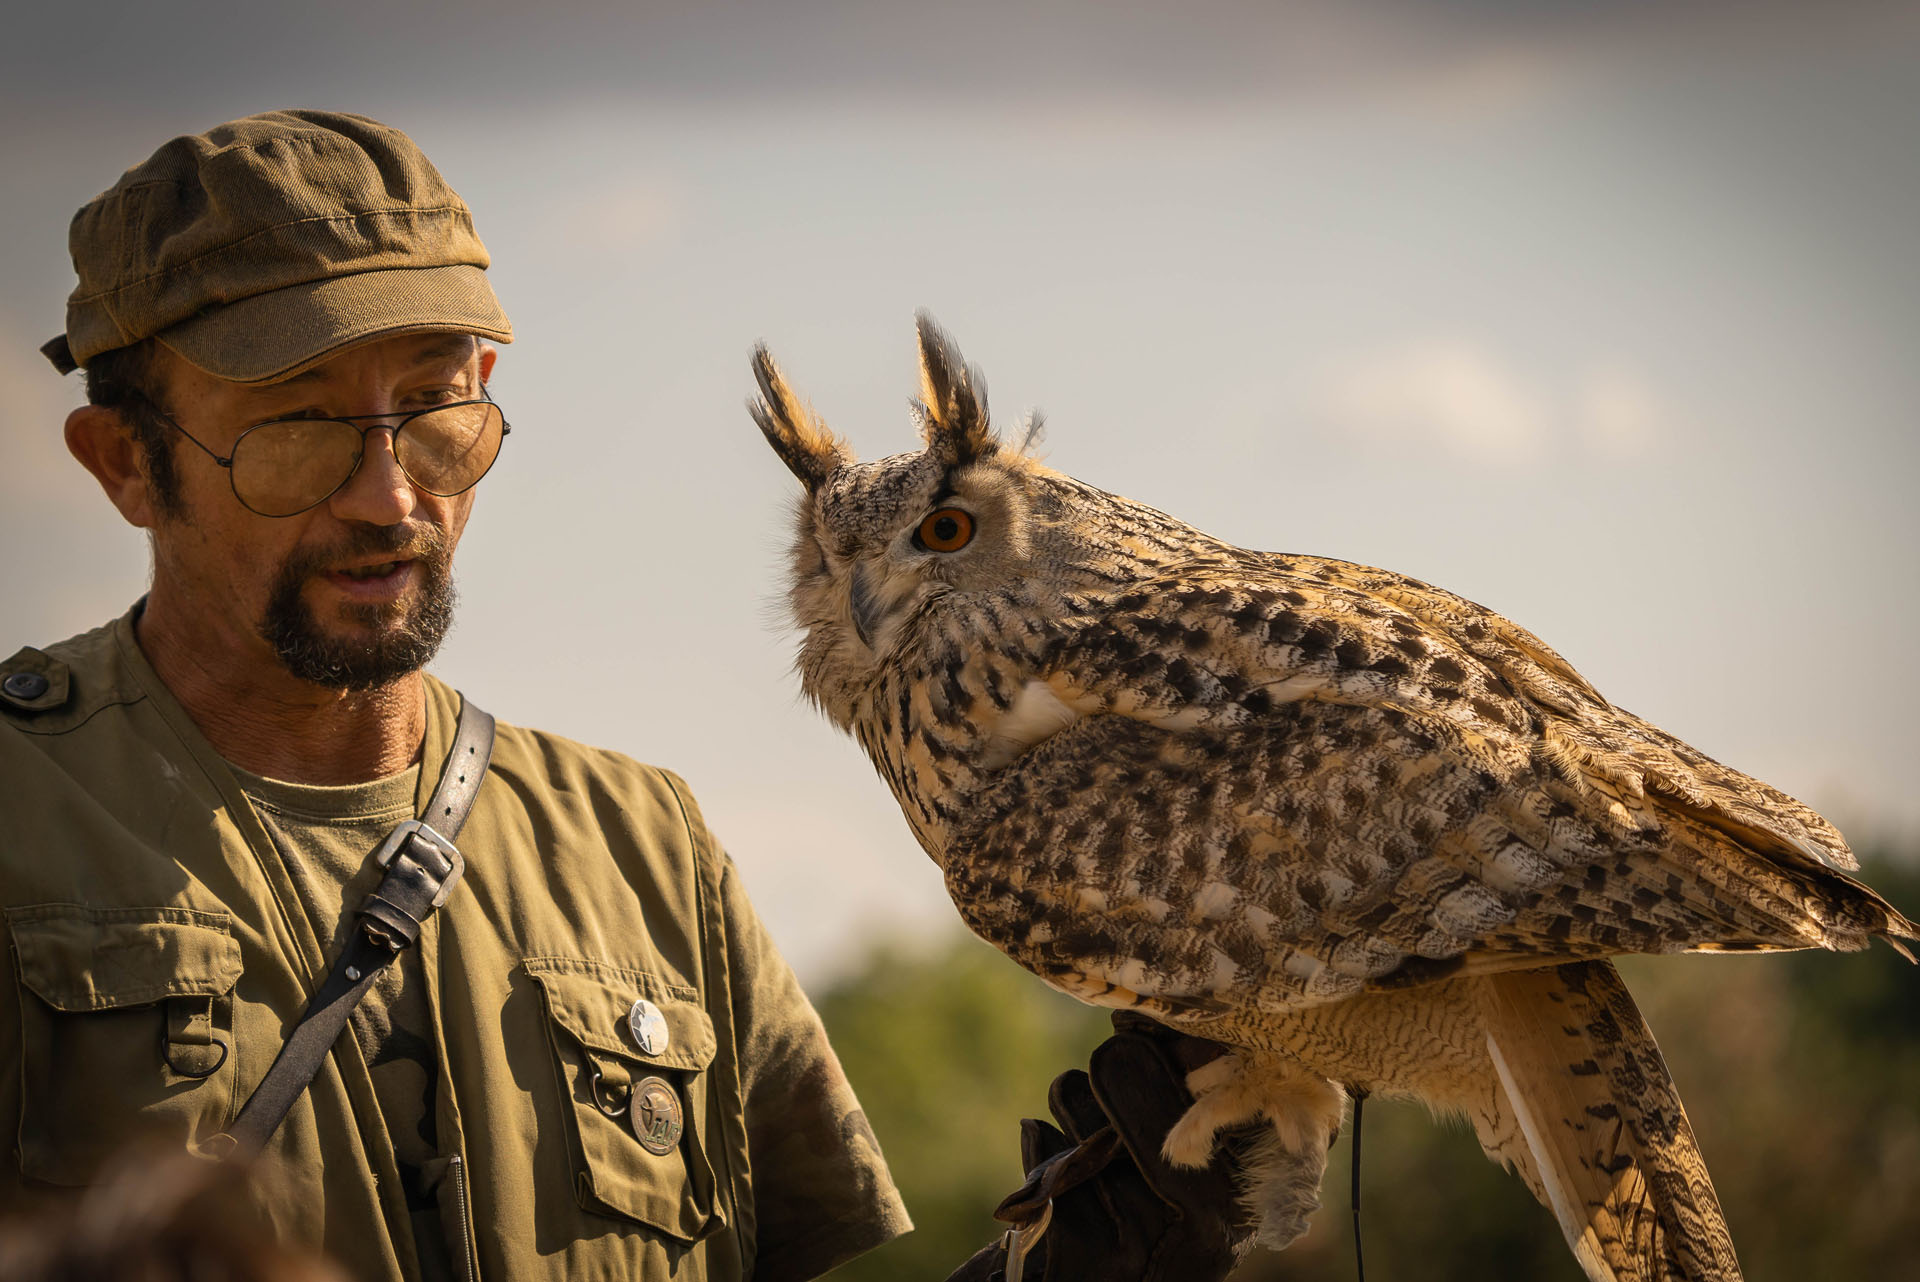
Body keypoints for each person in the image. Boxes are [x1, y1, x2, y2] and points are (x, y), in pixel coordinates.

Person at [4, 109, 1246, 1282]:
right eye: (297, 424)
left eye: (436, 410)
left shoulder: (644, 848)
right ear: (125, 462)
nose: (389, 497)